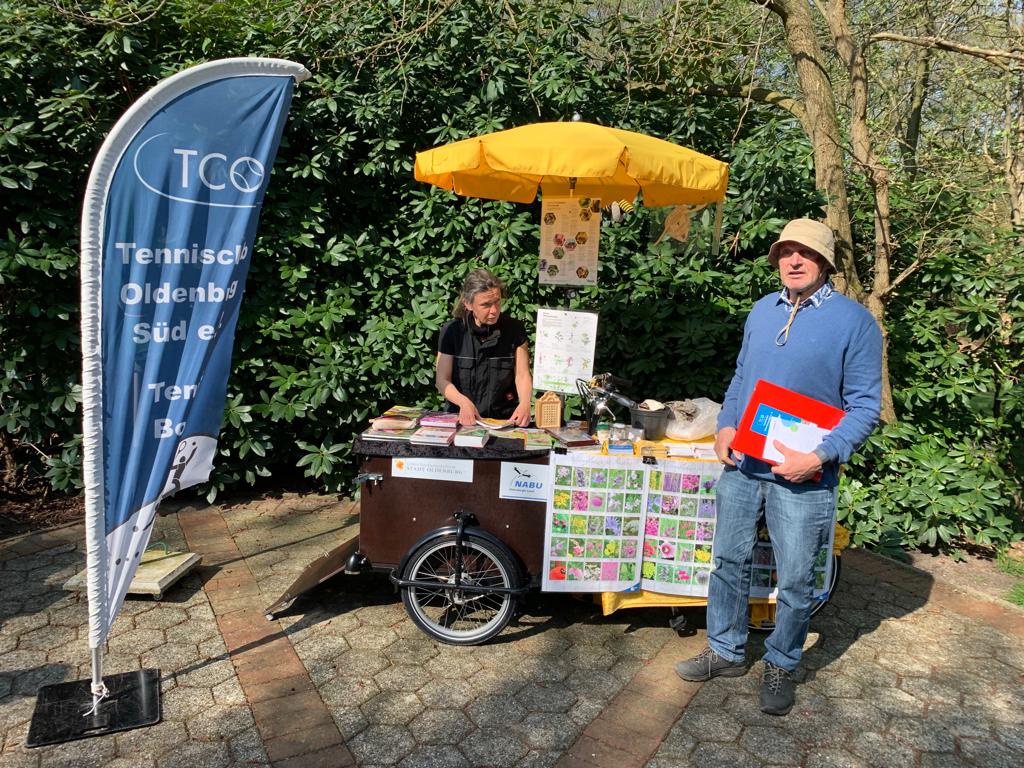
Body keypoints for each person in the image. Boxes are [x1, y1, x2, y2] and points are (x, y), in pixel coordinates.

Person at [675, 218, 882, 716]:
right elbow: (741, 377)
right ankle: (725, 650)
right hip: (744, 466)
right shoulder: (762, 310)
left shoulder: (855, 322)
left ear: (825, 262)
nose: (793, 260)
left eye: (804, 253)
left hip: (805, 476)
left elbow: (864, 408)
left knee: (794, 579)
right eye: (786, 252)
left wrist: (818, 456)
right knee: (728, 561)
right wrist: (726, 424)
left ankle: (781, 662)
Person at [436, 268, 533, 426]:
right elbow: (442, 379)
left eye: (497, 302)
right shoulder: (451, 331)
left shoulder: (515, 329)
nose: (494, 310)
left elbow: (522, 375)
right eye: (486, 305)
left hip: (504, 420)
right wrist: (463, 402)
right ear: (468, 304)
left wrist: (525, 404)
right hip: (462, 419)